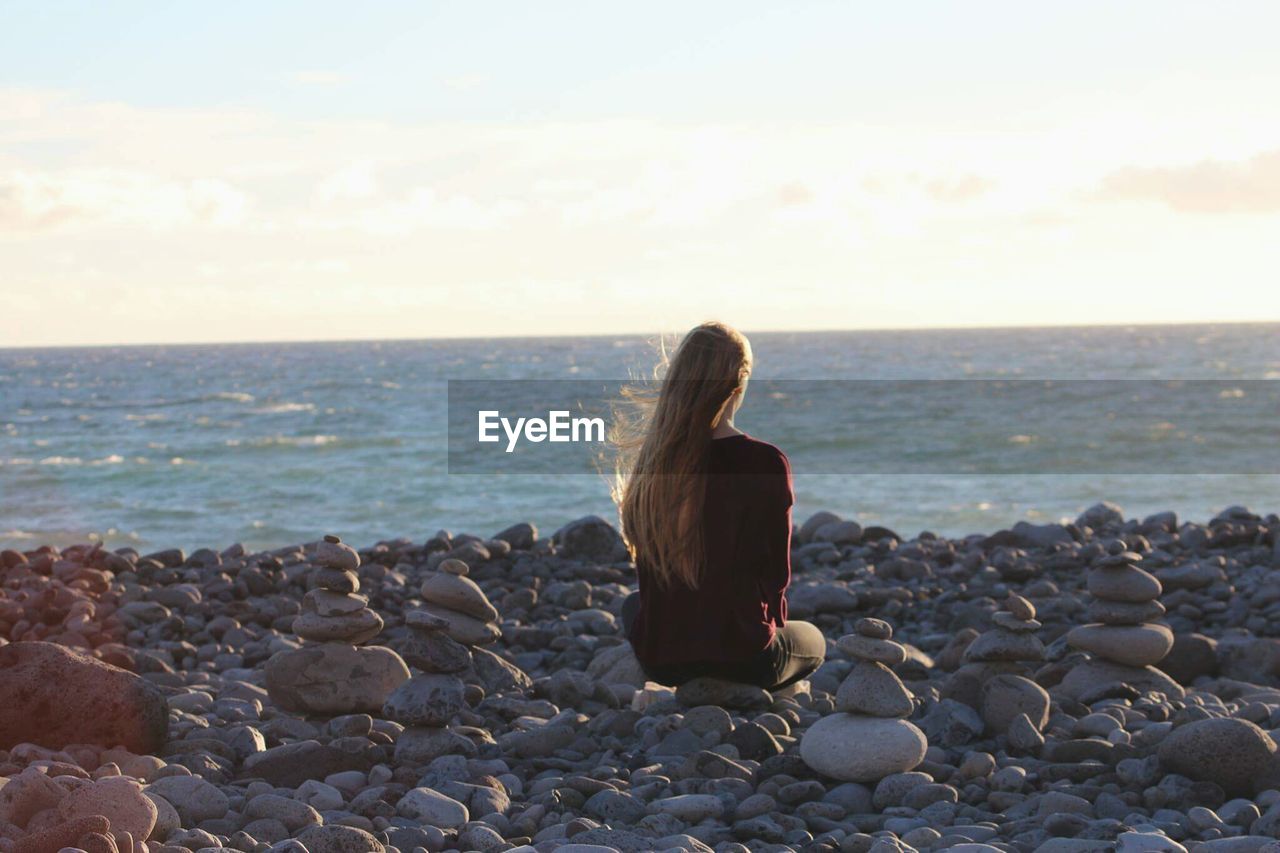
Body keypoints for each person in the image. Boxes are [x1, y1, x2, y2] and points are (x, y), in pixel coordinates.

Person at [611, 321, 825, 690]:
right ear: (739, 381)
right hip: (746, 658)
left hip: (663, 662)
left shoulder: (653, 464)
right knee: (813, 641)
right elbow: (775, 576)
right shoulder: (765, 462)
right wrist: (768, 625)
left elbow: (648, 574)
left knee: (633, 605)